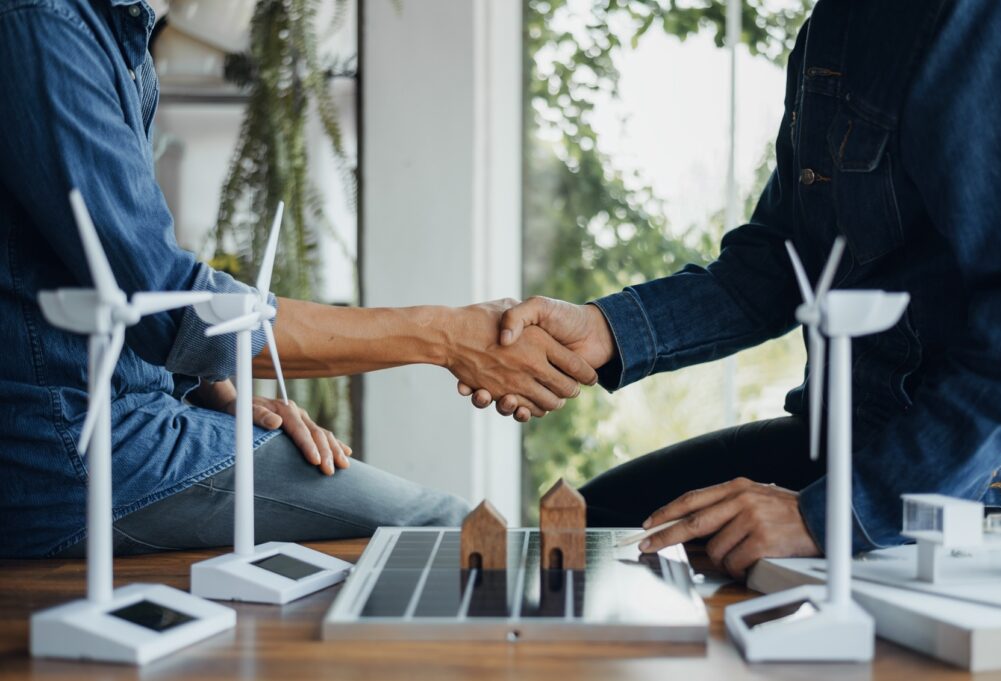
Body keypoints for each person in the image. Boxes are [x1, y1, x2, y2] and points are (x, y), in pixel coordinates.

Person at [0, 0, 595, 558]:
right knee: (445, 530)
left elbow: (116, 275)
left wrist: (224, 398)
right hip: (69, 449)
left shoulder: (109, 32)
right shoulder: (45, 23)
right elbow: (159, 300)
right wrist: (444, 336)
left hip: (121, 418)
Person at [461, 0, 1001, 579]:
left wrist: (828, 517)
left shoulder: (973, 20)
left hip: (961, 476)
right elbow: (782, 260)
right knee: (588, 526)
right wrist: (604, 330)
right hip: (838, 437)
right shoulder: (834, 27)